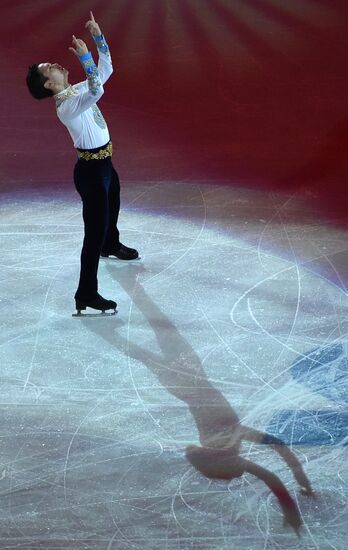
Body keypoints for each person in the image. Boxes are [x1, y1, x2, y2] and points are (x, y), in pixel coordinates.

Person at [26, 11, 138, 315]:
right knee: (93, 231)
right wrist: (86, 56)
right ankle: (86, 292)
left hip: (103, 164)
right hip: (91, 173)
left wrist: (98, 37)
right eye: (49, 68)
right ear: (48, 85)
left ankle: (111, 244)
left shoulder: (75, 90)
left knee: (113, 201)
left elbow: (106, 71)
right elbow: (97, 88)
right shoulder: (66, 107)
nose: (56, 64)